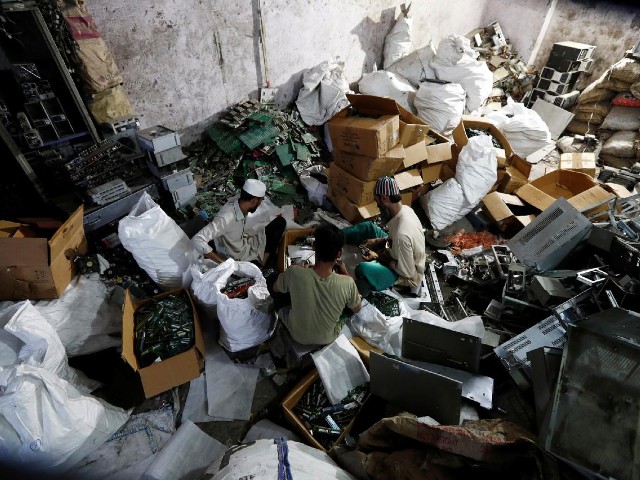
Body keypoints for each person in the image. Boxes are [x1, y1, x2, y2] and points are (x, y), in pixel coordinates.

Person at [272, 224, 362, 345]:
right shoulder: (348, 283)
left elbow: (275, 288)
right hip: (327, 338)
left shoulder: (295, 271)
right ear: (339, 254)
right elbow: (357, 309)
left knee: (273, 279)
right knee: (353, 301)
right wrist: (345, 272)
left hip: (297, 335)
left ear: (314, 247)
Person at [343, 176, 426, 296]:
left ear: (385, 198)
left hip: (406, 274)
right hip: (397, 250)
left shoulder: (401, 233)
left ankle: (353, 300)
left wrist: (378, 256)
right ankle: (334, 237)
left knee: (363, 269)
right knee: (368, 227)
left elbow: (407, 271)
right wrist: (377, 241)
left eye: (377, 201)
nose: (377, 205)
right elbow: (392, 240)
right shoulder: (405, 210)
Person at [192, 179, 286, 267]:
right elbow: (197, 240)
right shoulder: (227, 218)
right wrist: (225, 265)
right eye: (260, 201)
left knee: (279, 222)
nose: (260, 204)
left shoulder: (238, 201)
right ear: (254, 201)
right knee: (279, 226)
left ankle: (262, 259)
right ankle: (262, 264)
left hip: (242, 241)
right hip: (238, 256)